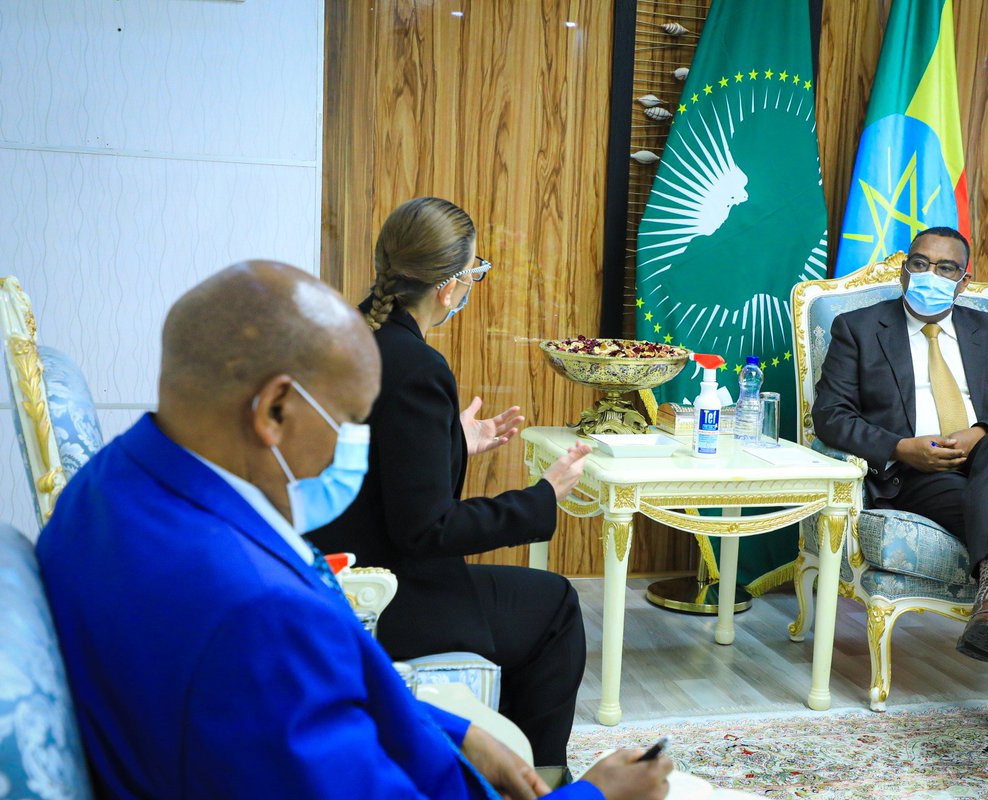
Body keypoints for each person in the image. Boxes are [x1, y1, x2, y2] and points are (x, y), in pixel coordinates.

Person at [36, 261, 670, 799]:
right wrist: (594, 794)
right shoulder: (256, 617)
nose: (354, 450)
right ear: (275, 409)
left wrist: (455, 731)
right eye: (349, 422)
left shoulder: (106, 486)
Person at [311, 198, 591, 767]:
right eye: (474, 272)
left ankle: (494, 764)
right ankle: (534, 781)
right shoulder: (416, 366)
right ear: (449, 287)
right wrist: (541, 498)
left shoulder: (347, 336)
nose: (471, 285)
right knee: (556, 604)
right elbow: (426, 530)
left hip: (332, 565)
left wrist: (453, 441)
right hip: (381, 593)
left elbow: (374, 464)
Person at [812, 227, 988, 769]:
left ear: (964, 280)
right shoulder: (859, 328)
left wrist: (980, 433)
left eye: (946, 268)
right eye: (920, 263)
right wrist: (900, 447)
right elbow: (830, 417)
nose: (930, 275)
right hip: (918, 473)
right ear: (903, 269)